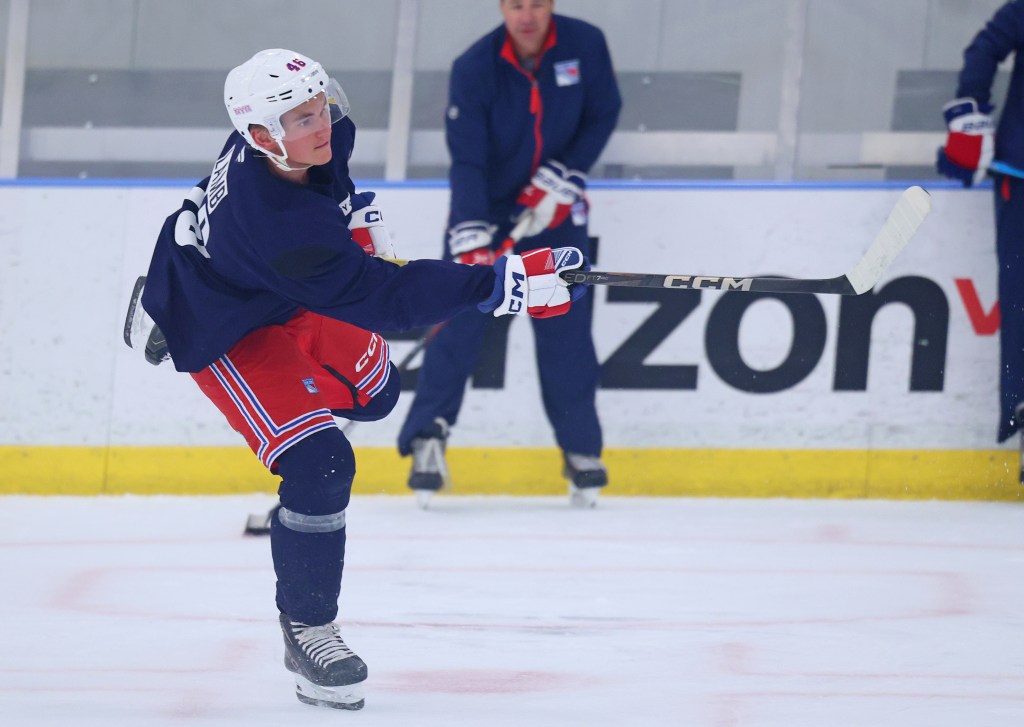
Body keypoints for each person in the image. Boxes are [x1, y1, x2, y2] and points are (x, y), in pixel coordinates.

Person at [123, 48, 588, 710]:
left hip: (281, 286)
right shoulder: (278, 227)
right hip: (227, 323)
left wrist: (345, 212)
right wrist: (500, 284)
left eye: (321, 106)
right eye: (301, 118)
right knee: (321, 464)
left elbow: (337, 227)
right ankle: (309, 626)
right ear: (259, 137)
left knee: (376, 393)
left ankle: (191, 302)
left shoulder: (309, 138)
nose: (323, 124)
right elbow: (386, 299)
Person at [396, 0, 622, 509]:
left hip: (556, 213)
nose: (527, 15)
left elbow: (604, 110)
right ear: (502, 7)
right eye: (516, 4)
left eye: (537, 3)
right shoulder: (475, 67)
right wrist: (473, 235)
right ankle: (427, 438)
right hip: (487, 214)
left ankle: (582, 451)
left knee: (564, 333)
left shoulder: (585, 45)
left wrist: (570, 173)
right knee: (457, 327)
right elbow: (468, 160)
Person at [936, 0, 1024, 478]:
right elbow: (985, 49)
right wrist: (969, 108)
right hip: (1021, 175)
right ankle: (1023, 408)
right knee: (1021, 300)